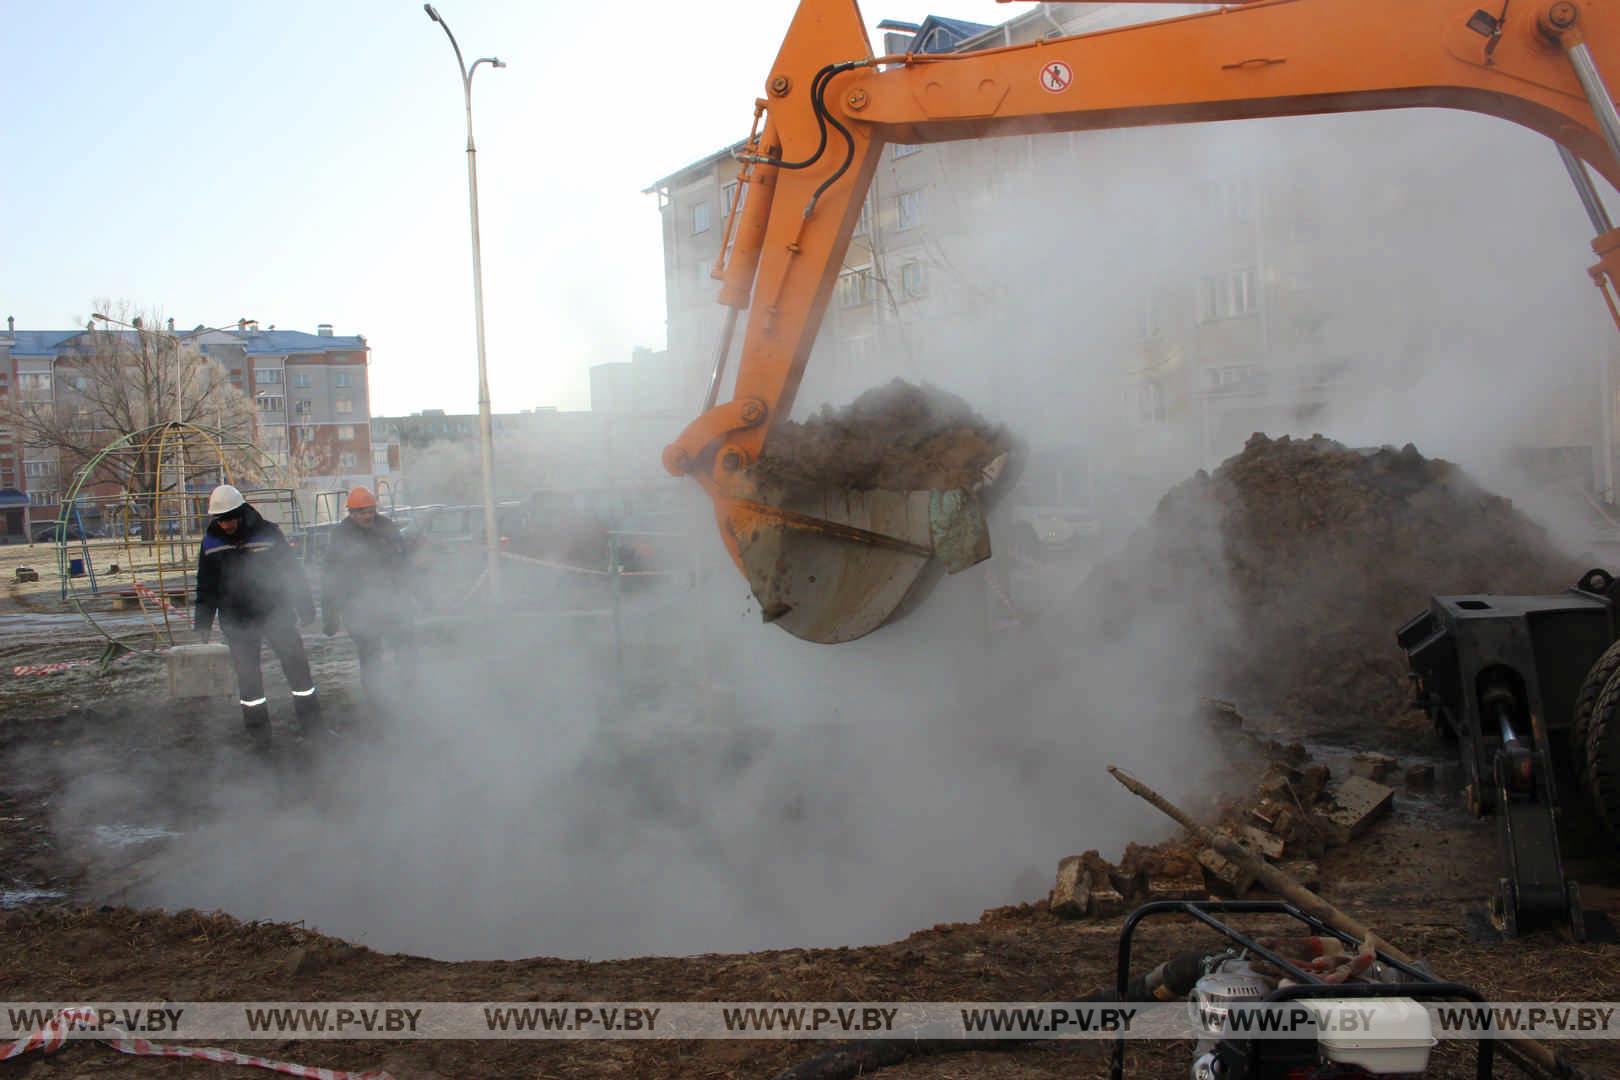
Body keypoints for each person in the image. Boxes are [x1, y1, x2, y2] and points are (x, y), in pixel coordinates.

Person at [193, 484, 321, 746]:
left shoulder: (269, 533)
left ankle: (312, 726)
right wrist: (203, 623)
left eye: (229, 518)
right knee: (248, 680)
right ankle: (259, 736)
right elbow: (206, 585)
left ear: (240, 512)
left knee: (297, 669)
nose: (226, 524)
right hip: (236, 620)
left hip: (276, 612)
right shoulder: (211, 543)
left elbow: (291, 573)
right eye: (220, 519)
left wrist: (305, 606)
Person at [322, 486, 415, 705]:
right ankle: (377, 700)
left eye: (370, 510)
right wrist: (330, 615)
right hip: (358, 607)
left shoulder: (387, 527)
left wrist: (414, 594)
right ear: (351, 513)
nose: (367, 516)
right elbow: (331, 576)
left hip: (392, 600)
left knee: (405, 648)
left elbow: (403, 562)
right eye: (362, 512)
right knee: (370, 655)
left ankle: (411, 692)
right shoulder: (341, 536)